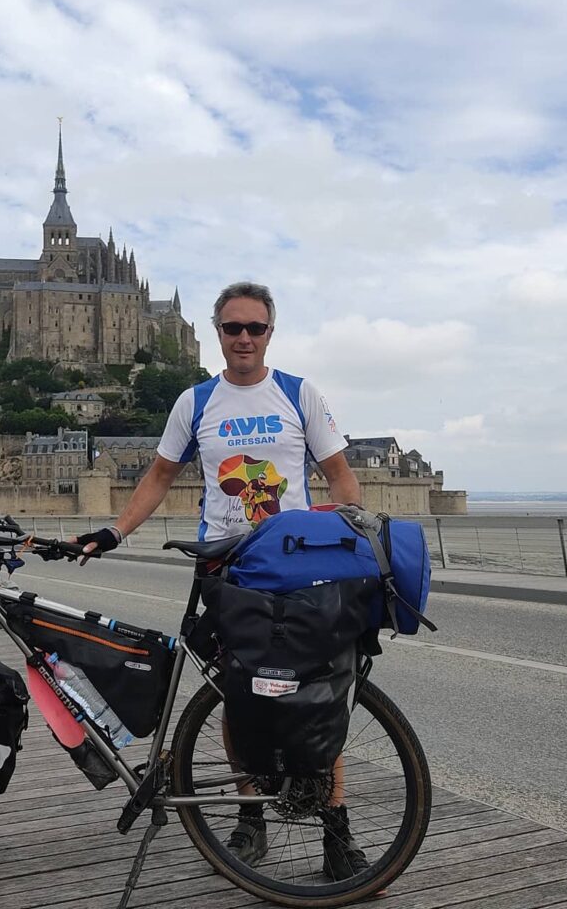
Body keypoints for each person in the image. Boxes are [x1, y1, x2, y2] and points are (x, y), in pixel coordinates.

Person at [77, 281, 369, 878]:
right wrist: (116, 532)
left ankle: (336, 833)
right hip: (226, 568)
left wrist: (344, 534)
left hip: (296, 567)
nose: (243, 338)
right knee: (239, 699)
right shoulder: (196, 402)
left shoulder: (298, 394)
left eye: (254, 328)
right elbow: (159, 476)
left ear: (269, 333)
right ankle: (249, 818)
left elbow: (341, 476)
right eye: (232, 328)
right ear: (216, 333)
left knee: (323, 697)